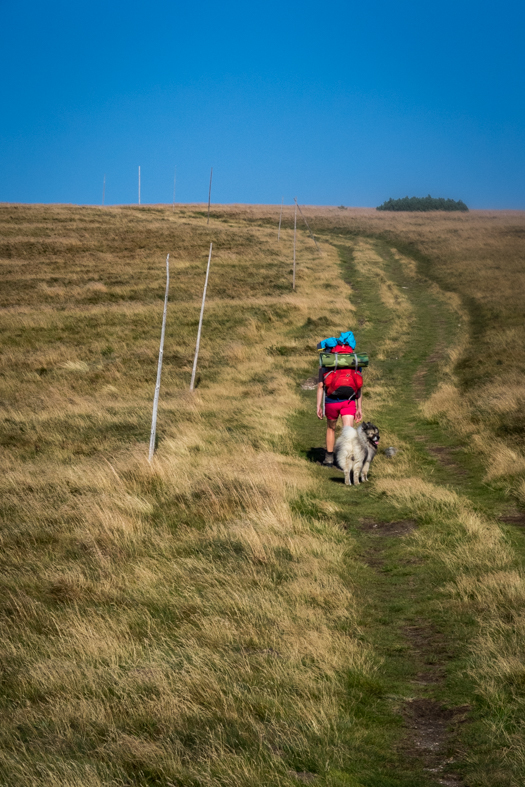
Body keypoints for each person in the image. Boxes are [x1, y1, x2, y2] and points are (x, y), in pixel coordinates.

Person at [316, 332, 363, 467]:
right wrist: (359, 407)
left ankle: (329, 459)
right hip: (349, 401)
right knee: (348, 432)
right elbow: (358, 385)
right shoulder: (354, 361)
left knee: (331, 428)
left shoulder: (327, 361)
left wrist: (318, 405)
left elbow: (320, 386)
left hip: (331, 401)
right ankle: (347, 462)